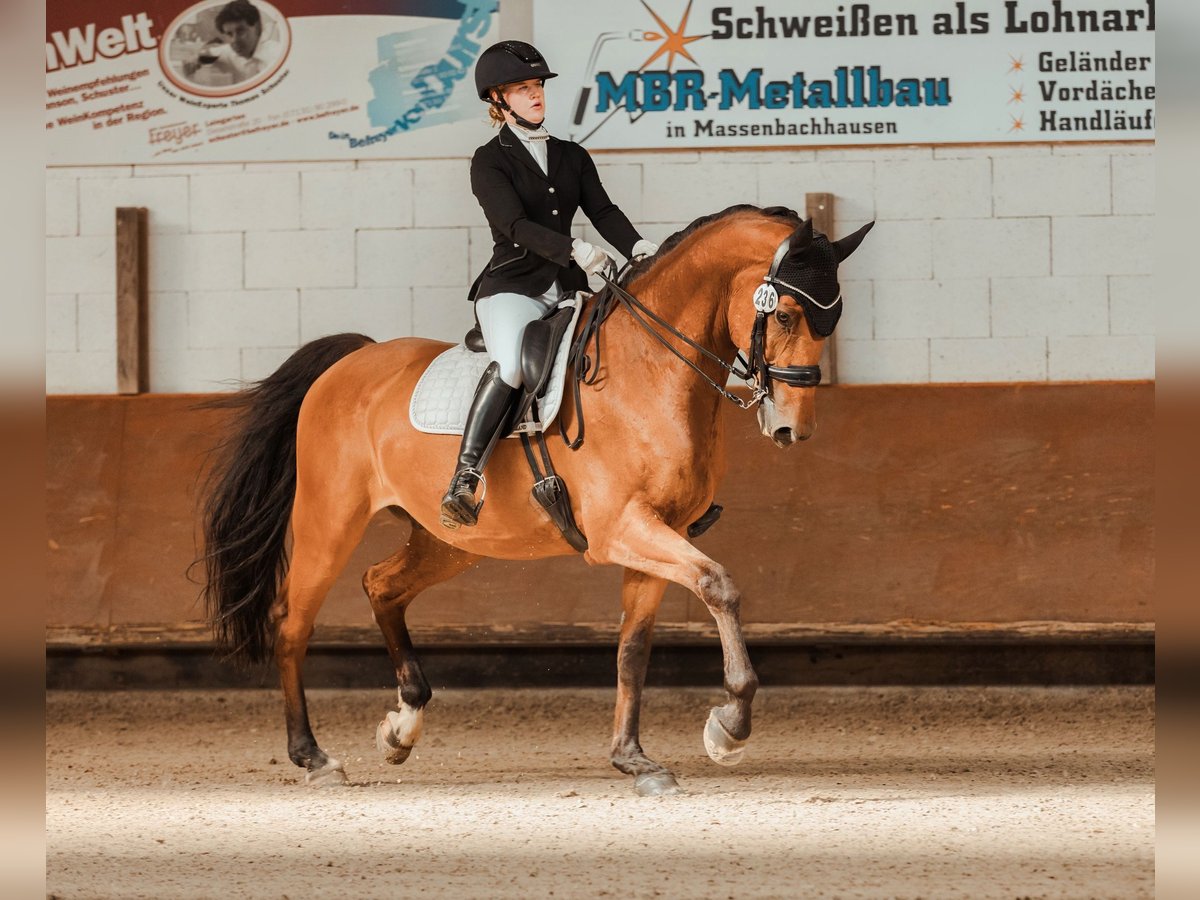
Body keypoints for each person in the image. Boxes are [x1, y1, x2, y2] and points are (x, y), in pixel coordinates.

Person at [439, 40, 658, 530]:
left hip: (567, 287)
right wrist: (573, 249)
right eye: (523, 88)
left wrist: (639, 247)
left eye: (537, 86)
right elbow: (513, 225)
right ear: (498, 100)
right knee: (513, 365)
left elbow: (602, 210)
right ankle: (466, 476)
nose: (536, 95)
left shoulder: (570, 155)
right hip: (513, 287)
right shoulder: (488, 160)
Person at [199, 0, 282, 85]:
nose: (234, 40)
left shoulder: (276, 55)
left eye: (241, 31)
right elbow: (206, 52)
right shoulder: (229, 51)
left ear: (257, 28)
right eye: (229, 34)